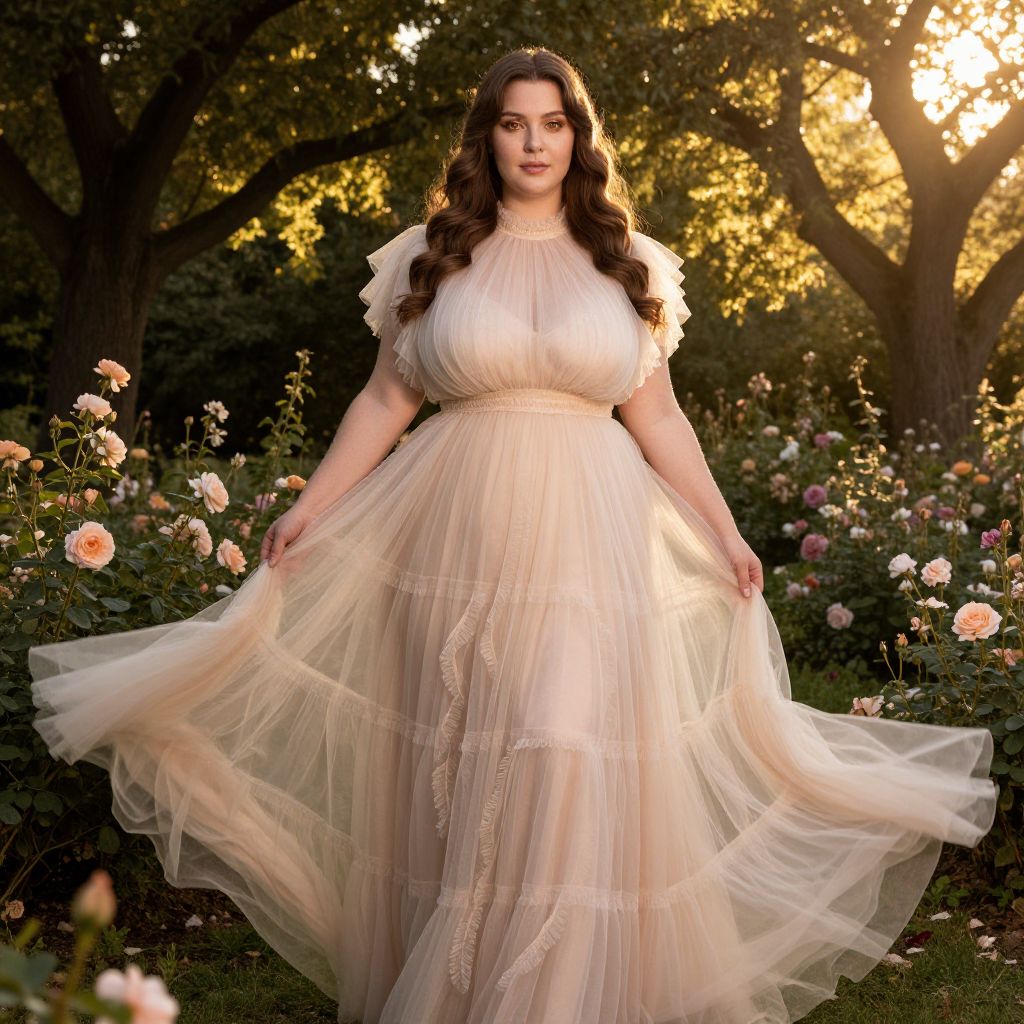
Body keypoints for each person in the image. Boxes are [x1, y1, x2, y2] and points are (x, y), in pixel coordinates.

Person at [30, 46, 997, 1024]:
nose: (534, 143)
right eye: (513, 123)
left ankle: (555, 996)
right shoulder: (430, 256)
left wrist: (724, 528)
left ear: (578, 138)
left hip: (591, 541)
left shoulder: (628, 262)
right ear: (486, 138)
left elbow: (658, 416)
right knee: (466, 763)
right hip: (452, 538)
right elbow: (386, 400)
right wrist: (309, 506)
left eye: (553, 124)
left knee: (561, 740)